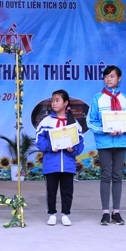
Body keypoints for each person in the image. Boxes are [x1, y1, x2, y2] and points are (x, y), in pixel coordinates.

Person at [87, 65, 126, 226]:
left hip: (121, 142)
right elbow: (90, 121)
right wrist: (105, 129)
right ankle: (105, 212)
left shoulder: (125, 99)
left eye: (112, 76)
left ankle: (116, 211)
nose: (108, 79)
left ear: (119, 78)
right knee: (105, 175)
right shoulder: (98, 98)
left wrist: (124, 128)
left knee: (117, 176)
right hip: (104, 143)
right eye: (106, 76)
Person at [36, 89, 84, 226]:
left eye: (57, 100)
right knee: (51, 191)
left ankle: (65, 215)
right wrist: (51, 146)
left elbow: (80, 143)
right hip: (51, 164)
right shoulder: (46, 121)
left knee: (67, 191)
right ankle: (51, 214)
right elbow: (39, 140)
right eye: (53, 100)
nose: (54, 103)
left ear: (66, 103)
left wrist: (73, 149)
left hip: (68, 164)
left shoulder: (73, 123)